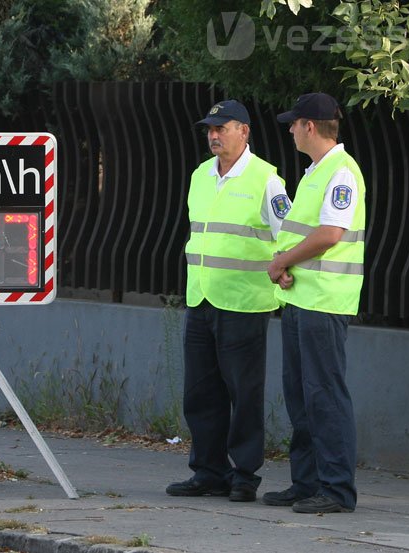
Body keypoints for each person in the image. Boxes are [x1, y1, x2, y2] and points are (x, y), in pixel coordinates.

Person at [166, 100, 290, 503]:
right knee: (201, 394)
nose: (214, 135)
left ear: (245, 132)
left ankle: (244, 476)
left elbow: (287, 236)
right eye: (209, 129)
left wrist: (286, 271)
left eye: (222, 128)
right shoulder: (201, 175)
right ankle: (208, 472)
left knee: (244, 394)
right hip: (201, 298)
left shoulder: (266, 180)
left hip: (244, 303)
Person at [265, 92, 366, 514]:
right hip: (301, 296)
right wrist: (286, 265)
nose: (289, 130)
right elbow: (304, 234)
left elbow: (330, 234)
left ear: (309, 126)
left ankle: (337, 490)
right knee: (301, 396)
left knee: (324, 395)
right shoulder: (315, 172)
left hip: (324, 302)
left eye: (293, 123)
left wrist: (283, 261)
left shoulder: (341, 172)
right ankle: (307, 484)